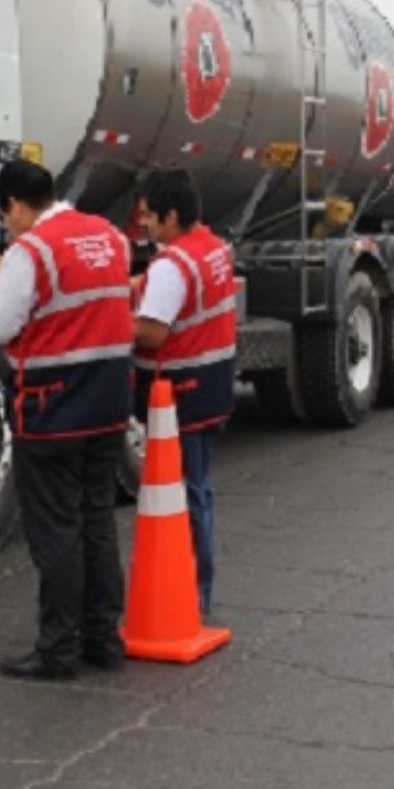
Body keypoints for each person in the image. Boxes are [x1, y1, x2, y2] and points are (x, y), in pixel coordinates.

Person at [0, 159, 134, 680]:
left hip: (53, 408)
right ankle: (104, 640)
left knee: (55, 532)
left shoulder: (32, 252)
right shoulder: (111, 237)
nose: (8, 226)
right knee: (97, 522)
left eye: (6, 217)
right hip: (109, 403)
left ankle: (58, 649)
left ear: (17, 205)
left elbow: (1, 326)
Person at [131, 168, 237, 615]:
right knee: (199, 493)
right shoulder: (212, 247)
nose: (144, 227)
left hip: (181, 396)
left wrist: (109, 318)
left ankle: (192, 597)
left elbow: (152, 333)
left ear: (170, 216)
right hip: (211, 386)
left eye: (149, 218)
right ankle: (198, 592)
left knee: (185, 499)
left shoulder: (172, 266)